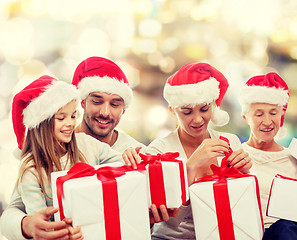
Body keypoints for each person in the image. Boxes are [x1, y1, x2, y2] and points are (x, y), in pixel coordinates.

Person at [0, 75, 138, 239]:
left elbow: (123, 165)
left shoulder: (85, 143)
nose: (70, 123)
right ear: (42, 122)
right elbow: (42, 221)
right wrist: (63, 233)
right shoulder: (31, 169)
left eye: (73, 116)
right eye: (61, 117)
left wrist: (129, 156)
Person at [147, 62, 252, 240]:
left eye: (204, 109)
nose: (197, 119)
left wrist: (245, 174)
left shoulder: (230, 142)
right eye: (187, 112)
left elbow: (241, 208)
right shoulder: (159, 150)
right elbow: (170, 222)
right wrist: (191, 166)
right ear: (173, 110)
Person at [238, 72, 297, 240]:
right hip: (244, 233)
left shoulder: (293, 159)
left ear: (281, 116)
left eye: (273, 113)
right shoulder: (236, 156)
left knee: (285, 227)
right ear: (245, 118)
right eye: (259, 114)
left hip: (285, 233)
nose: (267, 121)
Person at [72, 56, 146, 152]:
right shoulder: (58, 147)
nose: (105, 113)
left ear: (123, 110)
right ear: (83, 102)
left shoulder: (138, 153)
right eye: (97, 102)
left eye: (114, 104)